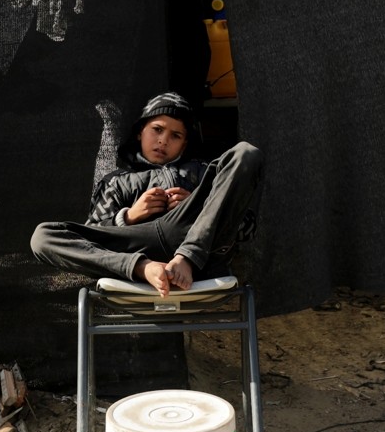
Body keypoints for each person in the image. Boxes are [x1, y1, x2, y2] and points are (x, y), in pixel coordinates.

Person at [30, 92, 262, 297]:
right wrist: (128, 217)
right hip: (137, 248)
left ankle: (186, 258)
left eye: (175, 136)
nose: (163, 140)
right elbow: (94, 235)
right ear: (141, 132)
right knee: (43, 237)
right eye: (157, 130)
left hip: (198, 251)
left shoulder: (202, 173)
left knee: (246, 153)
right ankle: (144, 268)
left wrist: (201, 208)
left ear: (184, 145)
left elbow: (246, 228)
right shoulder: (116, 181)